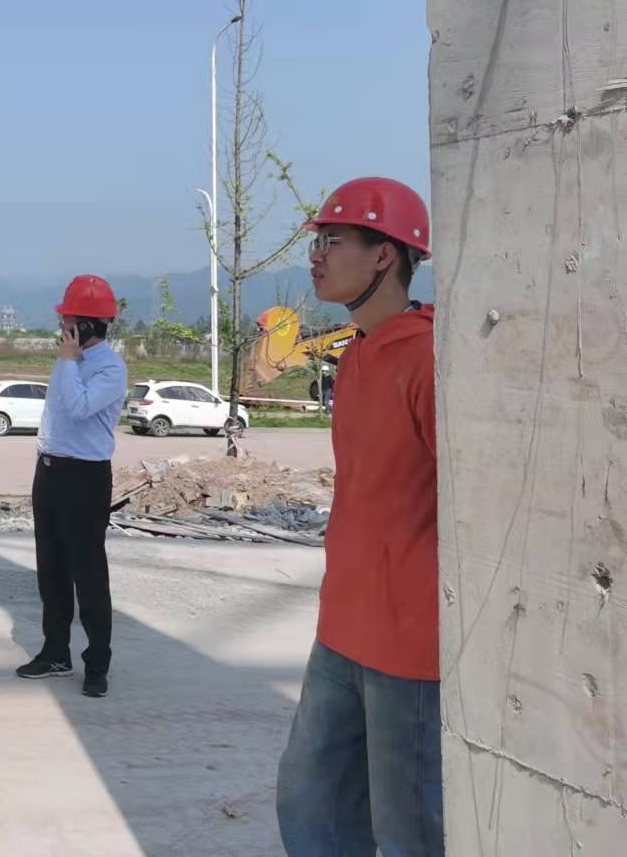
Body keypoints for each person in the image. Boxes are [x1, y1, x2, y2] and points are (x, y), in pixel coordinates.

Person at [277, 177, 442, 856]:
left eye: (333, 241)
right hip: (342, 628)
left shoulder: (429, 357)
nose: (316, 256)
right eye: (317, 242)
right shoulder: (355, 357)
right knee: (310, 806)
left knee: (409, 832)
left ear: (384, 255)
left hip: (410, 644)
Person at [16, 274, 128, 698]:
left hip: (85, 477)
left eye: (68, 320)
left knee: (89, 574)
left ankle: (97, 663)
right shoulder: (68, 361)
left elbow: (80, 408)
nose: (62, 326)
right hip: (50, 473)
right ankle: (56, 652)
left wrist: (67, 360)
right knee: (52, 570)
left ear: (86, 325)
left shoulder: (110, 368)